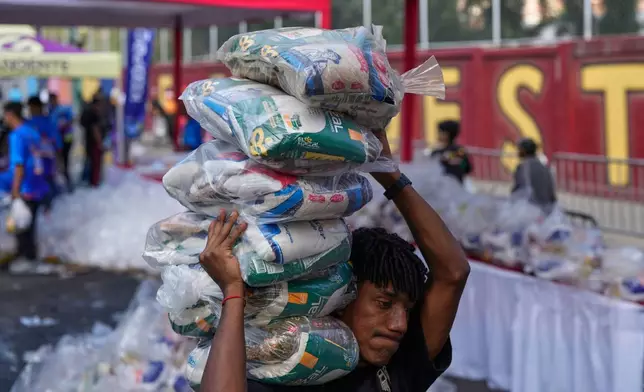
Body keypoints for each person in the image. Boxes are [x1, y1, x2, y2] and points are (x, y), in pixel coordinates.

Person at [197, 132, 470, 392]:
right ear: (342, 295)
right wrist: (233, 291)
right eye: (384, 303)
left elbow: (453, 273)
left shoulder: (398, 370)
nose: (399, 324)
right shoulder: (287, 365)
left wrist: (389, 174)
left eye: (407, 310)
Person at [0, 102, 50, 270]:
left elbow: (19, 165)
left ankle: (25, 257)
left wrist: (15, 190)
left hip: (25, 186)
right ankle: (30, 256)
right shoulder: (32, 132)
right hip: (37, 183)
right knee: (30, 224)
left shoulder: (17, 136)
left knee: (21, 226)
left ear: (10, 115)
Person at [26, 96, 61, 207]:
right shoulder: (49, 121)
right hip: (45, 165)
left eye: (31, 108)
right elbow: (58, 144)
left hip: (38, 165)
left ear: (35, 107)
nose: (30, 110)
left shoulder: (30, 123)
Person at [511, 138, 557, 213]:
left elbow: (518, 190)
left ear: (523, 150)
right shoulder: (544, 166)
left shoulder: (523, 167)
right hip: (548, 209)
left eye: (519, 149)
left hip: (532, 210)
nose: (518, 151)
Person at [48, 93, 75, 191]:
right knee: (57, 163)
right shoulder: (50, 111)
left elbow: (72, 119)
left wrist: (65, 125)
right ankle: (60, 184)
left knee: (65, 161)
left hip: (66, 140)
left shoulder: (64, 109)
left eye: (52, 99)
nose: (51, 101)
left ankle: (68, 183)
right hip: (55, 141)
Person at [80, 98, 104, 187]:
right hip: (94, 143)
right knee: (95, 164)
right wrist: (100, 142)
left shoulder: (88, 114)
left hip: (88, 142)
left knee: (89, 162)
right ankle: (94, 182)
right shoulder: (94, 115)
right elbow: (95, 130)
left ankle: (88, 180)